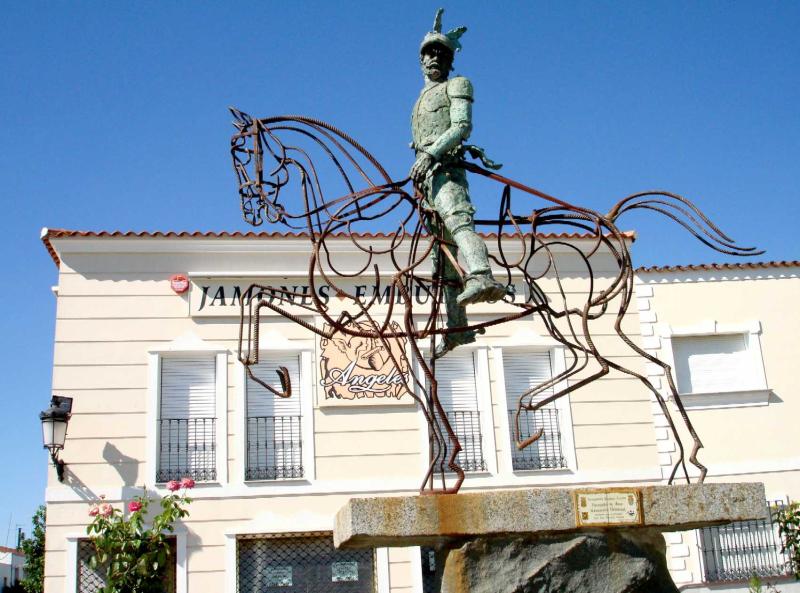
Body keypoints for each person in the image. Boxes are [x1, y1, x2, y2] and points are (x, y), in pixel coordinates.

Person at [410, 9, 507, 359]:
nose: (435, 58)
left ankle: (481, 275)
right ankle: (457, 327)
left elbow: (461, 127)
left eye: (442, 53)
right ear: (421, 60)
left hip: (446, 170)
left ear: (451, 61)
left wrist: (431, 154)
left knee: (458, 221)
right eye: (430, 53)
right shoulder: (420, 99)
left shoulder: (458, 84)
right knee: (442, 255)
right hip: (426, 180)